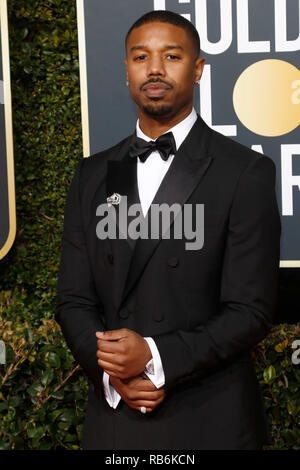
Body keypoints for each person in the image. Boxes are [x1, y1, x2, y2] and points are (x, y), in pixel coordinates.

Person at [55, 10, 281, 450]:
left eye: (171, 56)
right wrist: (112, 373)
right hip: (116, 417)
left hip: (209, 418)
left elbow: (250, 310)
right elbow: (73, 299)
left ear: (197, 69)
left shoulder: (244, 172)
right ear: (126, 70)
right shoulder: (93, 175)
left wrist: (156, 358)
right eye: (141, 57)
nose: (154, 69)